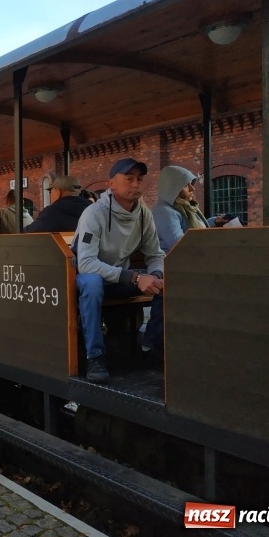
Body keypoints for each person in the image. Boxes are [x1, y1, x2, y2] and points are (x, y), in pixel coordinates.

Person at [73, 158, 166, 382]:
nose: (136, 184)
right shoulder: (93, 214)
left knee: (167, 283)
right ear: (112, 184)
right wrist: (134, 277)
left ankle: (150, 345)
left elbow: (155, 255)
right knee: (93, 283)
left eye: (139, 179)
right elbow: (85, 263)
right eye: (129, 179)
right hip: (88, 280)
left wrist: (156, 275)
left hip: (120, 280)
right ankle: (95, 356)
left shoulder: (144, 216)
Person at [151, 166, 229, 253]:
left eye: (191, 183)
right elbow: (180, 245)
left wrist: (215, 222)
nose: (192, 188)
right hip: (174, 263)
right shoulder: (164, 212)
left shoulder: (184, 206)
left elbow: (193, 230)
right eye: (186, 185)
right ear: (173, 189)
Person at [24, 175, 91, 233]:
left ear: (58, 191)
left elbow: (30, 231)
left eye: (51, 191)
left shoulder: (51, 212)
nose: (50, 195)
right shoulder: (90, 209)